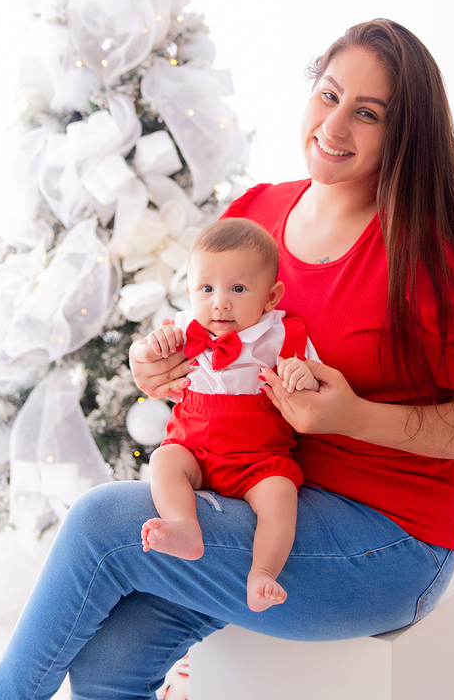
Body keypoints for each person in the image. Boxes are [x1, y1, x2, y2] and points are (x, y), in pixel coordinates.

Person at [0, 19, 454, 700]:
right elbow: (210, 348)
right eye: (329, 95)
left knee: (101, 525)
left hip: (388, 542)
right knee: (108, 665)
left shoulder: (431, 257)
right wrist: (159, 373)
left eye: (368, 113)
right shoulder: (256, 215)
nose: (335, 125)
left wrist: (354, 417)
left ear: (404, 136)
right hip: (250, 495)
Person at [133, 217, 319, 613]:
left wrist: (303, 374)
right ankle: (185, 526)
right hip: (194, 450)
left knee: (280, 495)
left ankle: (262, 573)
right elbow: (150, 359)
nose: (220, 302)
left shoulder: (283, 335)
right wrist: (149, 347)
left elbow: (315, 383)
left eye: (237, 289)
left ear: (270, 297)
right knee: (164, 460)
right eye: (206, 289)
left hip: (258, 460)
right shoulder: (182, 328)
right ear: (188, 292)